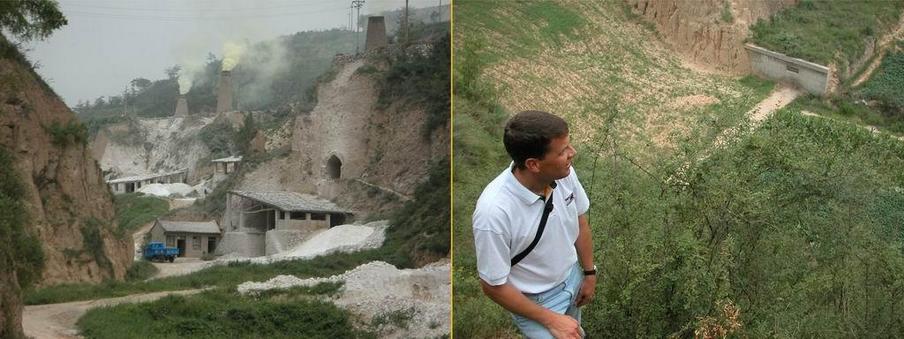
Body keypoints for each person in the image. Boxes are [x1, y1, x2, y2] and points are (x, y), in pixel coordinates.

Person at [473, 110, 597, 339]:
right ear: (534, 164)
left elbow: (579, 220)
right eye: (562, 151)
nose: (573, 153)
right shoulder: (494, 212)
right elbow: (492, 285)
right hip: (537, 301)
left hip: (572, 278)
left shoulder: (564, 173)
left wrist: (589, 273)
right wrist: (551, 320)